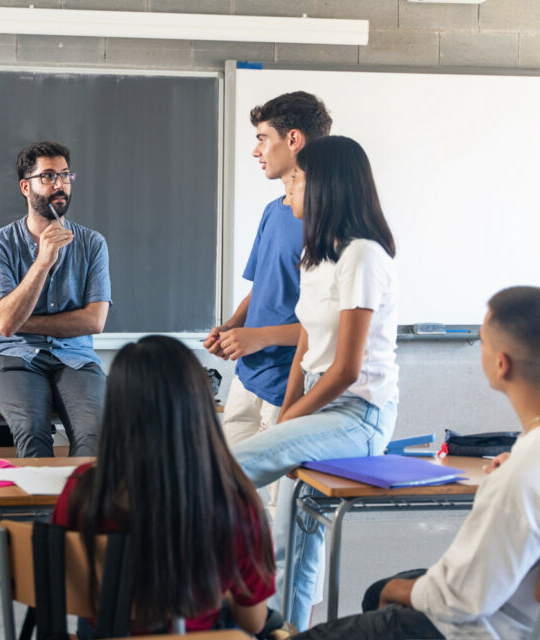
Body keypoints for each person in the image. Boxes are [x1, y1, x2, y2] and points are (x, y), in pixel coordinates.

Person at [296, 286, 540, 640]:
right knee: (376, 592)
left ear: (502, 364)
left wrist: (399, 591)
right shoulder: (525, 460)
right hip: (512, 605)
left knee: (384, 594)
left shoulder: (517, 478)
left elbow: (461, 601)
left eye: (483, 342)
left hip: (479, 627)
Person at [232, 135, 399, 630]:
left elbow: (346, 369)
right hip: (318, 408)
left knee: (228, 469)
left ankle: (231, 609)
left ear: (327, 187)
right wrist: (287, 418)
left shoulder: (362, 256)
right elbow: (306, 351)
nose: (290, 189)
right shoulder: (316, 256)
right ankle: (288, 630)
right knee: (295, 538)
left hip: (358, 415)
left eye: (297, 179)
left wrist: (287, 426)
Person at [51, 335, 275, 637]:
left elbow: (67, 588)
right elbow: (253, 622)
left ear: (116, 407)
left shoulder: (82, 490)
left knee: (99, 609)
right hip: (192, 631)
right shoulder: (232, 501)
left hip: (110, 630)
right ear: (199, 406)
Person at [204, 91, 332, 449]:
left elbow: (325, 324)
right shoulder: (273, 211)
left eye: (262, 139)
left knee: (278, 503)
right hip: (248, 375)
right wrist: (232, 327)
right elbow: (262, 288)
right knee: (228, 488)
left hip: (288, 385)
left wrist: (260, 337)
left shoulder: (325, 222)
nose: (255, 151)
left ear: (293, 140)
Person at [0, 141, 111, 458]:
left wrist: (15, 320)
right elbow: (7, 327)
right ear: (26, 186)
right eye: (48, 176)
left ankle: (77, 508)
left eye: (65, 175)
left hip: (75, 358)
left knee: (96, 435)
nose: (60, 184)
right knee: (32, 431)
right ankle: (40, 510)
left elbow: (94, 321)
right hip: (14, 358)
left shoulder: (92, 244)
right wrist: (43, 261)